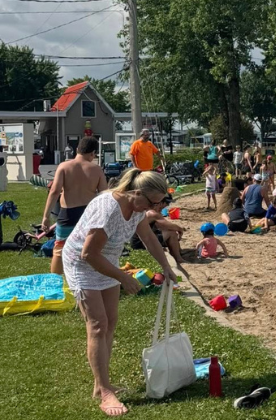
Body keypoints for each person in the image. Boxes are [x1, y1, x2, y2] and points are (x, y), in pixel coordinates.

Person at [62, 169, 177, 416]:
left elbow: (148, 238)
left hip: (107, 262)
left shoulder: (137, 209)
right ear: (136, 193)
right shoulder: (108, 209)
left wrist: (166, 267)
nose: (153, 208)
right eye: (152, 203)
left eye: (157, 204)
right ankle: (105, 392)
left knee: (110, 322)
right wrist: (123, 277)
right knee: (97, 325)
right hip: (82, 264)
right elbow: (88, 254)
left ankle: (101, 384)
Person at [42, 137, 108, 275]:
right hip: (89, 214)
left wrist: (46, 217)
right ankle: (87, 277)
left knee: (60, 249)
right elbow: (104, 194)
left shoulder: (64, 166)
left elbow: (54, 192)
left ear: (77, 149)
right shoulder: (96, 169)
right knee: (88, 248)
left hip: (68, 213)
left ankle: (56, 280)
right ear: (93, 153)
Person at [131, 195, 186, 266]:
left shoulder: (147, 210)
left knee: (168, 232)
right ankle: (178, 258)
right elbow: (169, 226)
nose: (167, 206)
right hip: (140, 243)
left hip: (136, 241)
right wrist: (180, 230)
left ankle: (178, 251)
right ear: (160, 203)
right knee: (172, 233)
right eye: (167, 203)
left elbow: (163, 227)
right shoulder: (152, 213)